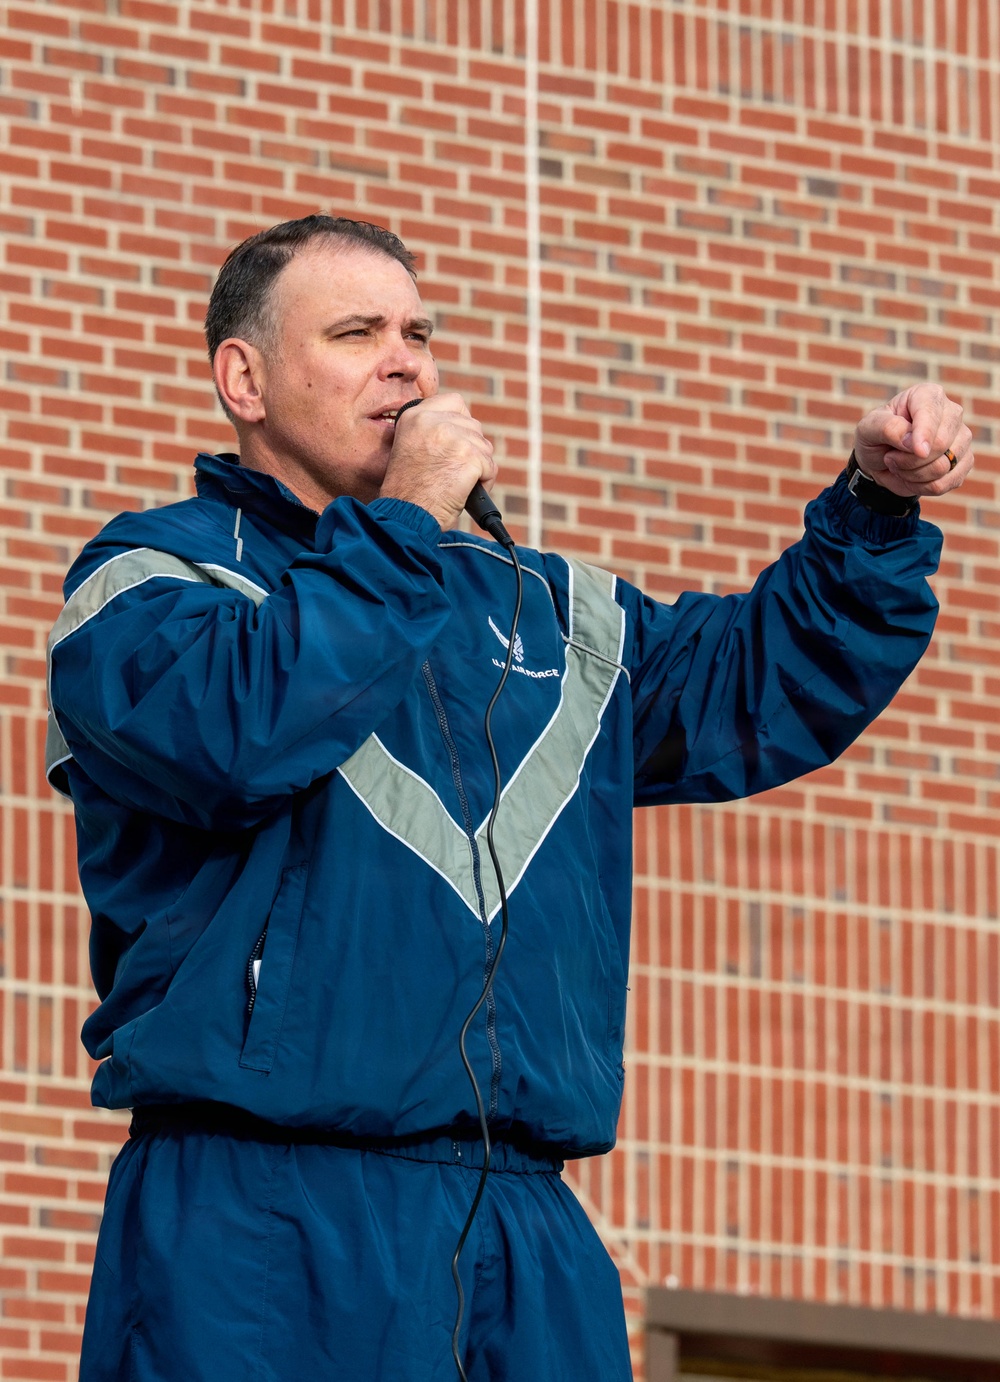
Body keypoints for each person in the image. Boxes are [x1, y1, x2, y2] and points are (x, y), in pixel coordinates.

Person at [46, 214, 971, 1382]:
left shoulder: (554, 615)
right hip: (258, 1217)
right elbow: (241, 729)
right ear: (245, 378)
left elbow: (762, 679)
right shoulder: (151, 585)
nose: (408, 362)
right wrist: (408, 524)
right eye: (356, 332)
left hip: (523, 1227)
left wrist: (875, 509)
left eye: (418, 333)